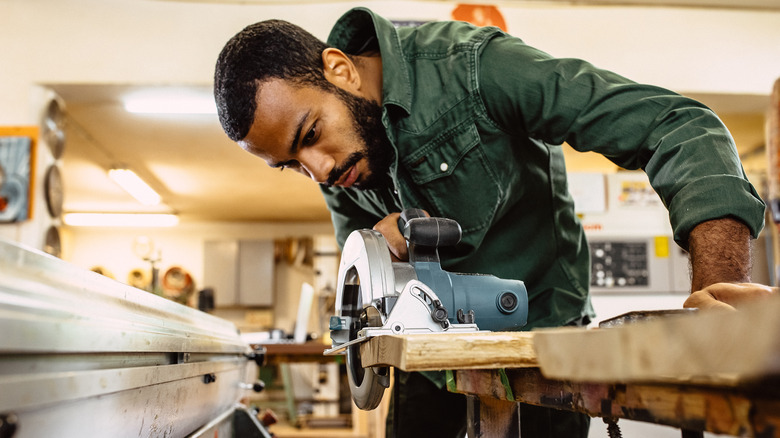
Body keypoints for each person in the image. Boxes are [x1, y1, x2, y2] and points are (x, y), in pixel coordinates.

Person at [214, 7, 772, 437]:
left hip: (545, 353)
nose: (319, 171)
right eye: (291, 165)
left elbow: (677, 126)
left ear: (339, 70)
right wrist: (380, 251)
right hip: (429, 363)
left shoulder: (476, 69)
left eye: (310, 136)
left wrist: (718, 297)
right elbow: (366, 283)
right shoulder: (341, 167)